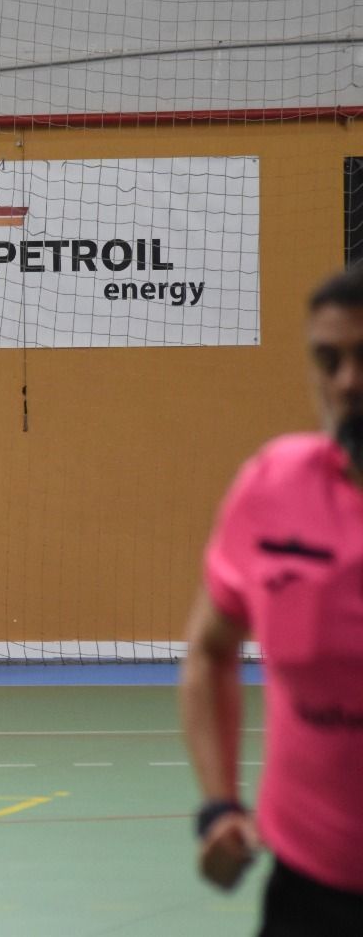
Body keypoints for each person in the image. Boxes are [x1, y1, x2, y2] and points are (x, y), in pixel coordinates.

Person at [181, 261, 363, 933]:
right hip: (309, 888)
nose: (349, 381)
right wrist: (218, 805)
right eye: (329, 359)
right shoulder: (272, 487)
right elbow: (208, 651)